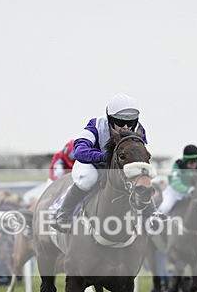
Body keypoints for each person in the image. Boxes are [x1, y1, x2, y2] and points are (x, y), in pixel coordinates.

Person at [52, 93, 157, 232]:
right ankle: (64, 213)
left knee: (140, 179)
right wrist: (102, 157)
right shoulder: (95, 125)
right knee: (88, 179)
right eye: (120, 122)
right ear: (110, 119)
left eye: (131, 122)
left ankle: (152, 214)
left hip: (118, 167)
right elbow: (79, 150)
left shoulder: (139, 130)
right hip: (92, 164)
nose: (126, 127)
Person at [158, 144, 197, 215]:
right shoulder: (178, 165)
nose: (194, 165)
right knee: (165, 207)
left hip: (191, 193)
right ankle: (156, 221)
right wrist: (188, 189)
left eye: (196, 161)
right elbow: (175, 182)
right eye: (191, 162)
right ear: (185, 161)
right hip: (175, 192)